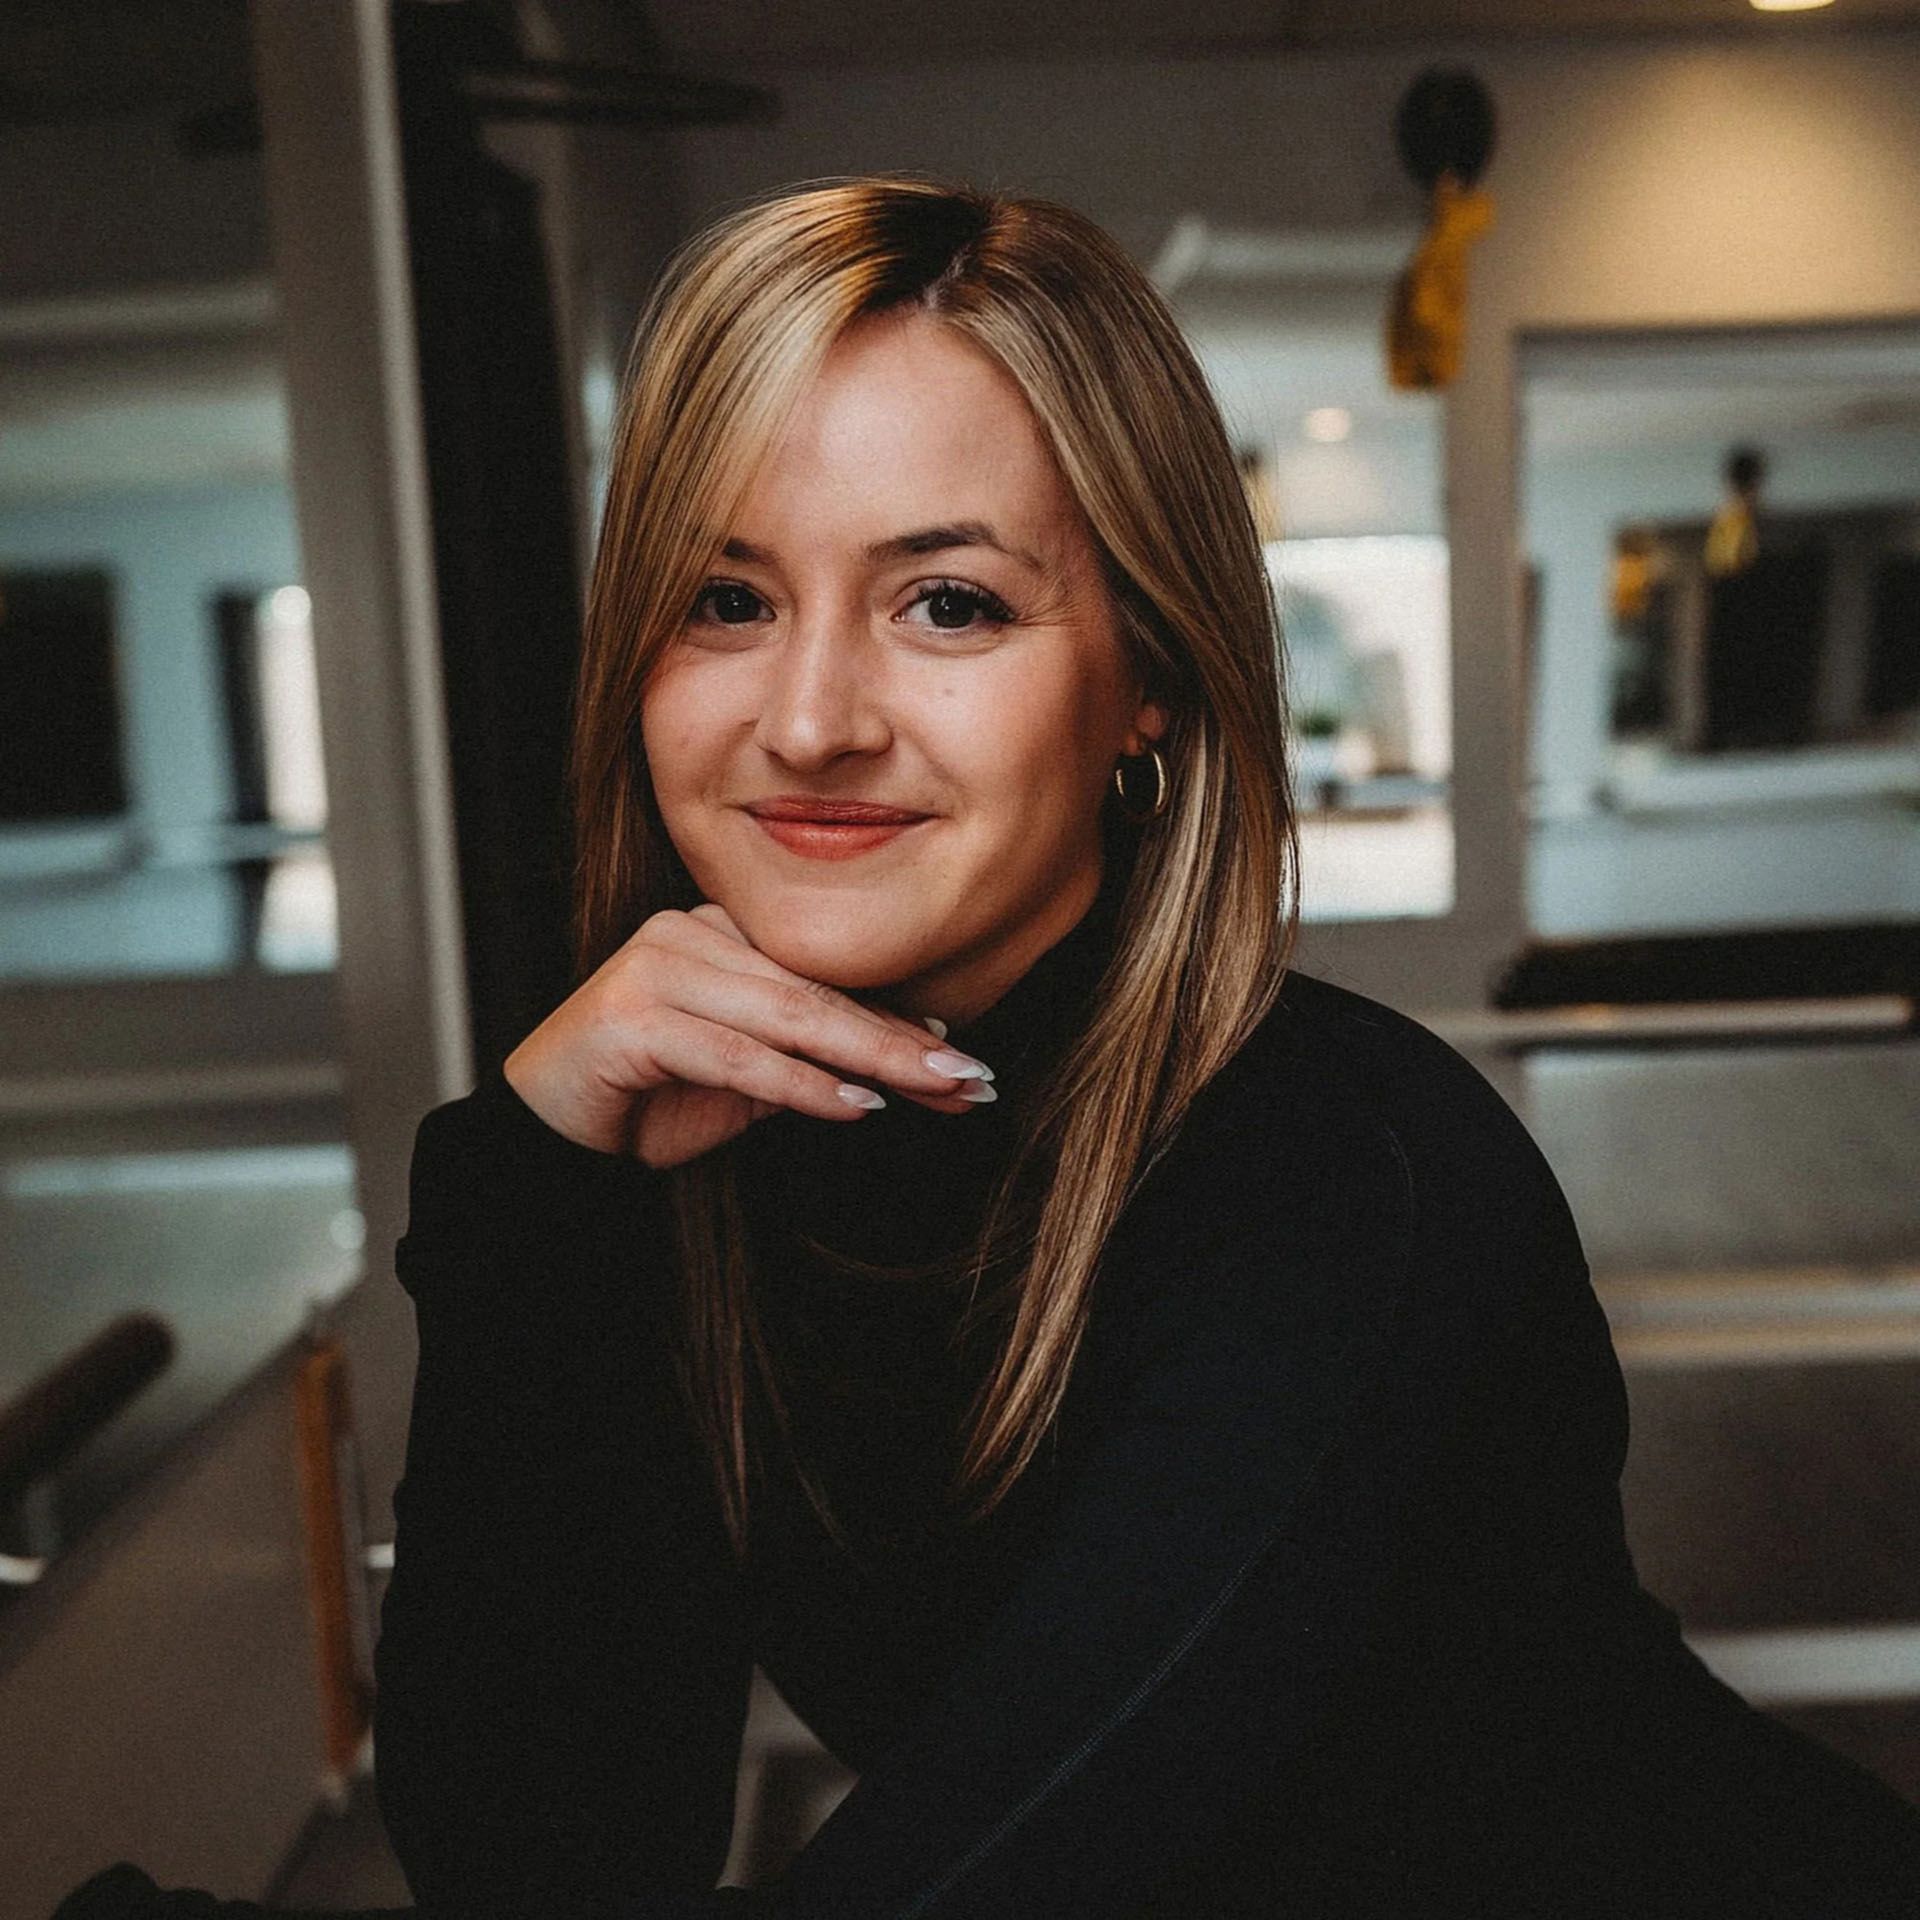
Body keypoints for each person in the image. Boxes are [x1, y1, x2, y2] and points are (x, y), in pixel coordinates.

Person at [52, 174, 1920, 1920]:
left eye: (948, 601)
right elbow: (546, 1863)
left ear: (1151, 682)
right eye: (727, 599)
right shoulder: (728, 1152)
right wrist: (539, 1180)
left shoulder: (1343, 1186)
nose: (807, 718)